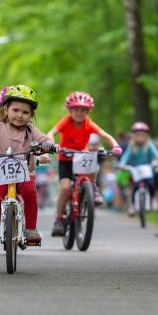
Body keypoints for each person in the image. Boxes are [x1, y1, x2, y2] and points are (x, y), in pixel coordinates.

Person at [0, 84, 55, 245]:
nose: (20, 115)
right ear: (6, 110)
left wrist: (49, 144)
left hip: (25, 173)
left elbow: (45, 139)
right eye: (16, 110)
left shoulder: (31, 130)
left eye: (25, 112)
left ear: (31, 115)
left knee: (30, 193)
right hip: (1, 174)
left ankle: (31, 229)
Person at [47, 91, 122, 236]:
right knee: (65, 187)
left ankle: (92, 187)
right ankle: (58, 219)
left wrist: (115, 145)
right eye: (76, 110)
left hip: (82, 157)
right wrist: (52, 143)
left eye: (83, 110)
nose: (79, 113)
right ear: (70, 110)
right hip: (66, 159)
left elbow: (105, 135)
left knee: (92, 156)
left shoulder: (89, 124)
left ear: (88, 111)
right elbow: (51, 133)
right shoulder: (66, 122)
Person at [119, 122, 158, 215]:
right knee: (134, 187)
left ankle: (153, 198)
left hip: (148, 169)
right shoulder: (132, 146)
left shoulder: (149, 145)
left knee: (151, 183)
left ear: (146, 136)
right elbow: (125, 156)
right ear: (134, 136)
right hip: (136, 170)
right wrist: (122, 164)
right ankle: (132, 205)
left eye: (142, 135)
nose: (140, 138)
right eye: (138, 135)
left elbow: (157, 155)